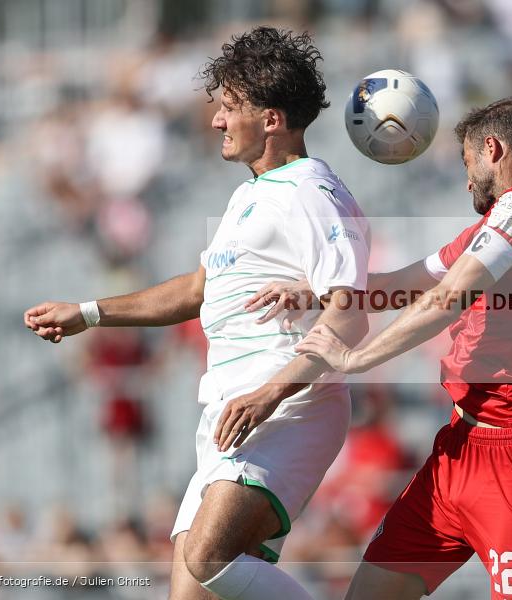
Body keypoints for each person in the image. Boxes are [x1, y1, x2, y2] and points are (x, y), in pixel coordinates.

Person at [23, 27, 370, 600]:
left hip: (288, 407)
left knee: (209, 558)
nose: (215, 120)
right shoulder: (248, 196)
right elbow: (196, 290)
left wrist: (272, 393)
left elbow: (349, 315)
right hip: (229, 412)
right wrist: (87, 313)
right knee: (191, 594)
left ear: (272, 119)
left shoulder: (314, 192)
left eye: (230, 108)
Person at [250, 93, 512, 599]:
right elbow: (414, 281)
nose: (467, 179)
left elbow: (452, 295)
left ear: (492, 149)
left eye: (467, 162)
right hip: (458, 448)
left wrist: (358, 358)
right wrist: (319, 292)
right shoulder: (506, 227)